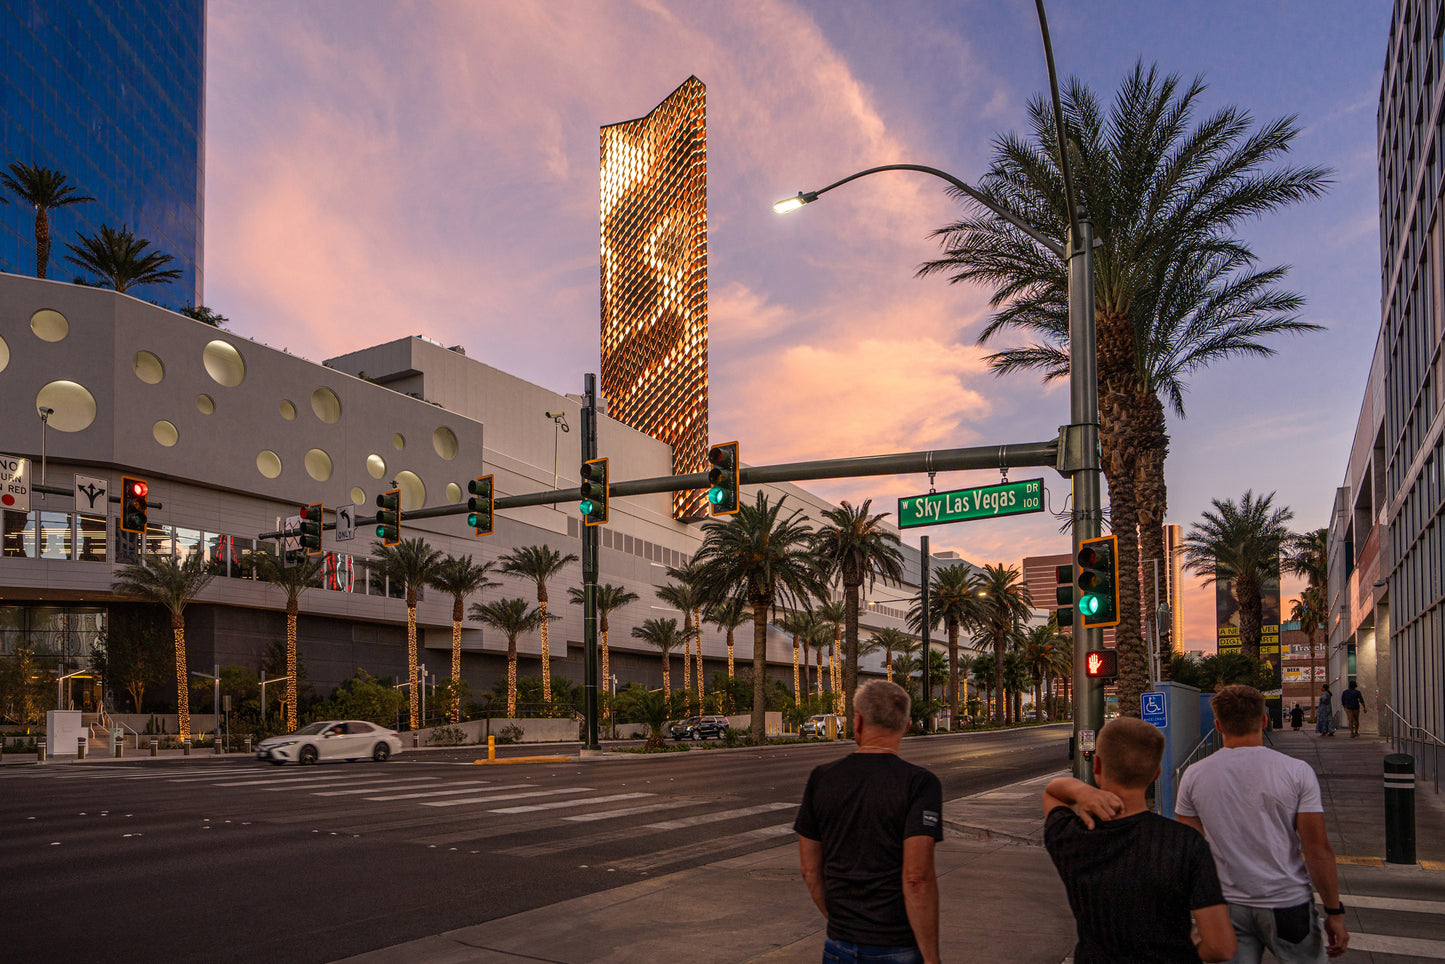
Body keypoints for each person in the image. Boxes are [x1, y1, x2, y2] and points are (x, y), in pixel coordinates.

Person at [1176, 684, 1349, 962]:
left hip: (1226, 904)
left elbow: (1190, 851)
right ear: (1264, 720)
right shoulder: (1296, 772)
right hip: (1287, 903)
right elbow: (1318, 850)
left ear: (1218, 725)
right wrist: (1334, 912)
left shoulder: (1194, 776)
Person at [1043, 717, 1236, 963]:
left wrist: (1082, 791)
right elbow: (1221, 947)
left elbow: (1052, 793)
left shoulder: (1074, 836)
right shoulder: (1185, 843)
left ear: (1097, 766)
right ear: (1155, 773)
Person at [795, 679, 942, 964]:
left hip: (839, 946)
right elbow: (917, 879)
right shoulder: (920, 784)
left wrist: (844, 923)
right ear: (906, 726)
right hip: (897, 946)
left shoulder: (821, 778)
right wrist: (932, 958)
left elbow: (809, 870)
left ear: (858, 722)